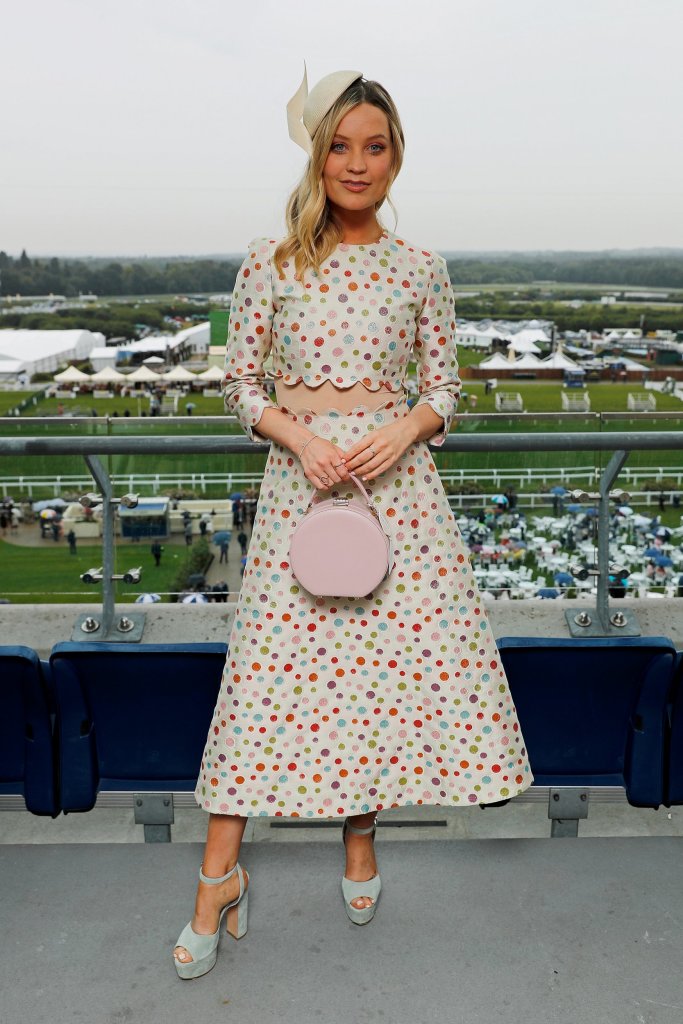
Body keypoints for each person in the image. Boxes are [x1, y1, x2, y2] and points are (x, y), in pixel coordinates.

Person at [174, 64, 534, 978]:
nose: (357, 162)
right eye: (341, 144)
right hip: (303, 494)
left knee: (369, 679)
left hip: (395, 498)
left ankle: (360, 839)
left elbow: (445, 387)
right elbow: (239, 384)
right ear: (316, 151)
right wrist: (298, 437)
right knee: (265, 685)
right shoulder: (270, 261)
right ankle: (218, 878)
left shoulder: (422, 269)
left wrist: (402, 430)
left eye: (375, 146)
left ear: (396, 156)